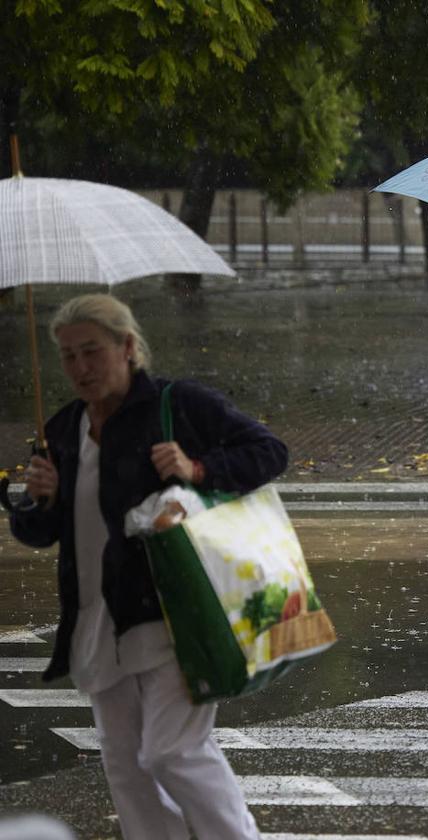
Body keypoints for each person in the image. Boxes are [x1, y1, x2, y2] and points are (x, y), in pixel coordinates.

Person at [8, 293, 287, 839]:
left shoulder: (175, 405)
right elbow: (42, 533)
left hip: (172, 612)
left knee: (171, 751)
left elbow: (269, 451)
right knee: (125, 766)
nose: (80, 368)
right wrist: (39, 500)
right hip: (97, 621)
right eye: (67, 355)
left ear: (127, 347)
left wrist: (198, 466)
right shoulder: (64, 428)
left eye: (92, 351)